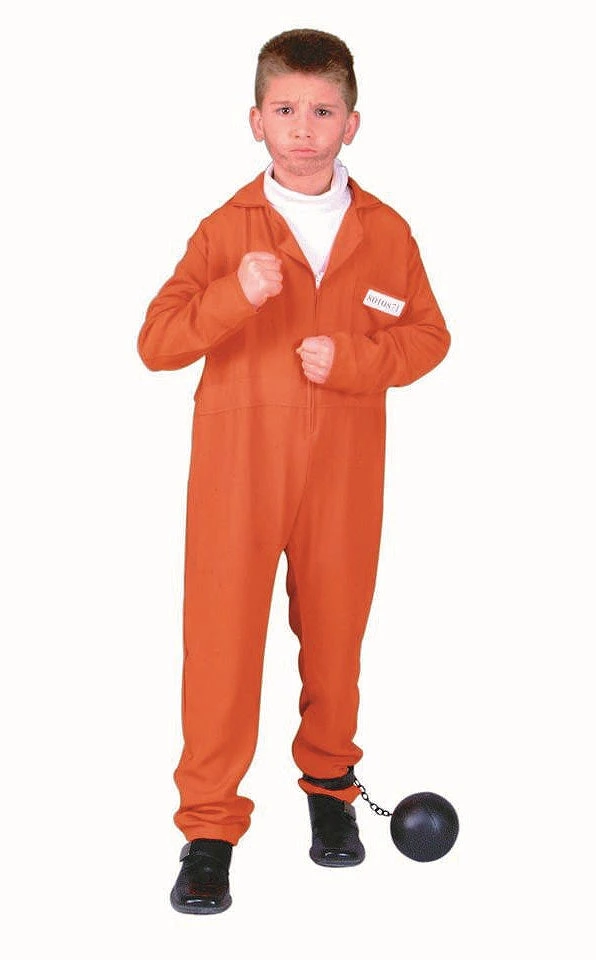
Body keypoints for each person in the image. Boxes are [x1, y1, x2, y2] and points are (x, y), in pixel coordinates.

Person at [137, 28, 451, 915]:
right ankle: (208, 830)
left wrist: (354, 359)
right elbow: (157, 342)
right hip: (238, 471)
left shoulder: (386, 232)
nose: (303, 128)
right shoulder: (225, 230)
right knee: (222, 646)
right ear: (256, 121)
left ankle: (330, 789)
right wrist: (235, 295)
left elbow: (428, 335)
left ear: (352, 123)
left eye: (321, 111)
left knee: (337, 638)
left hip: (344, 471)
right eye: (285, 110)